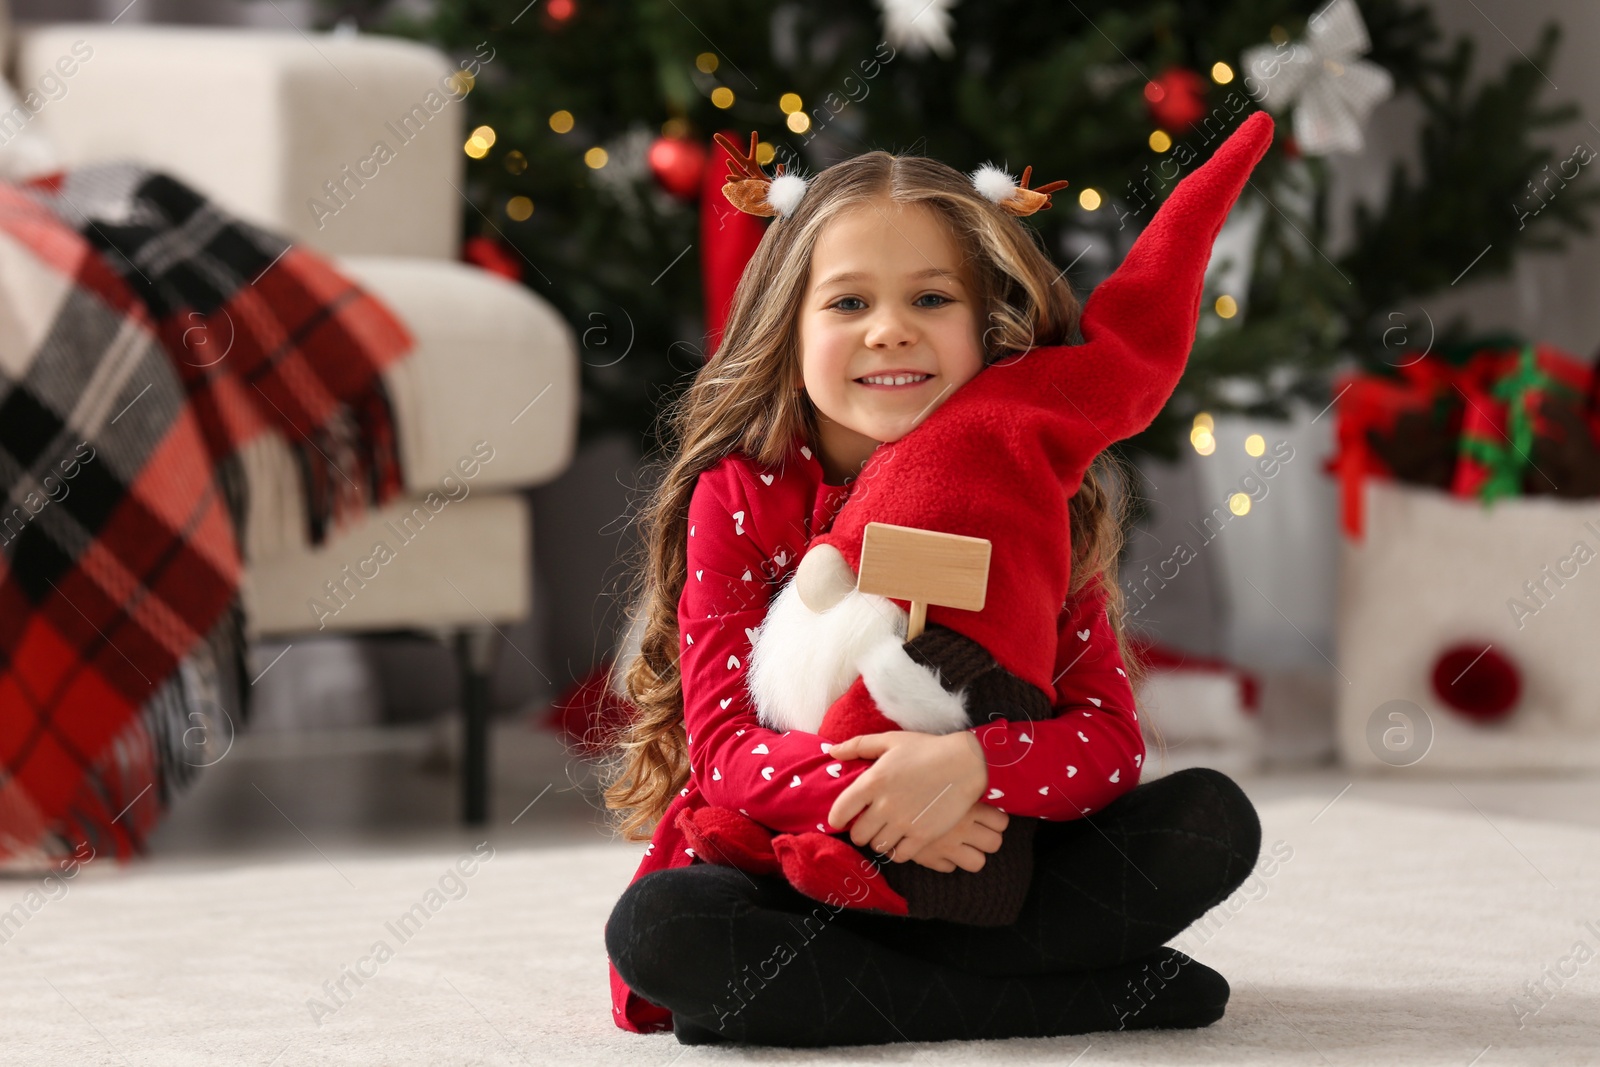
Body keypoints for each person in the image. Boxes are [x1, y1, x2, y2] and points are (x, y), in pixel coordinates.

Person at [600, 123, 1266, 1047]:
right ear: (787, 327)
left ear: (987, 323)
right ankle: (1056, 1002)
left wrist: (966, 771)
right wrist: (886, 793)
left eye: (930, 296)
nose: (890, 329)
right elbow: (725, 752)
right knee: (662, 930)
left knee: (1211, 822)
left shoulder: (1033, 495)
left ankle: (849, 1000)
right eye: (846, 302)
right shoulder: (743, 493)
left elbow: (1107, 741)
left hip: (996, 851)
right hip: (801, 869)